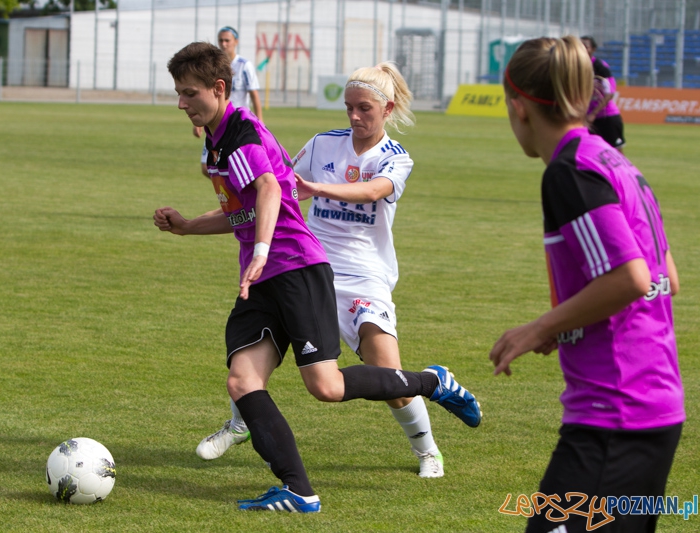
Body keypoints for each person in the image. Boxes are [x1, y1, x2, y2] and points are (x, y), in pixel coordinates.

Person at [155, 42, 482, 513]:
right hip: (277, 271)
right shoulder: (229, 140)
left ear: (218, 88)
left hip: (307, 268)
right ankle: (298, 490)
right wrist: (189, 226)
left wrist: (261, 248)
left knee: (329, 385)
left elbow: (271, 190)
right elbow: (255, 203)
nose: (181, 103)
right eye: (178, 94)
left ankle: (431, 385)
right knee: (243, 381)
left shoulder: (242, 136)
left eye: (188, 94)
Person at [196, 62, 447, 479]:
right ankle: (239, 425)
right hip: (311, 265)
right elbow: (278, 188)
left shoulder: (396, 158)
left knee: (388, 371)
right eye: (348, 107)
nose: (354, 117)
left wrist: (317, 188)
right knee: (257, 351)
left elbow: (372, 191)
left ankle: (428, 451)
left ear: (387, 109)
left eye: (364, 108)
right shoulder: (322, 145)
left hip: (367, 274)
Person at [492, 35, 684, 533]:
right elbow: (669, 278)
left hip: (615, 411)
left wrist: (539, 327)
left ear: (519, 107)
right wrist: (573, 319)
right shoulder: (617, 162)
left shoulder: (569, 171)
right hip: (652, 405)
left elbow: (631, 278)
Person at [195, 26, 264, 178]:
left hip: (237, 124)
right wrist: (198, 121)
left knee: (234, 166)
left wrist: (260, 122)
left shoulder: (244, 66)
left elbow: (254, 95)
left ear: (235, 42)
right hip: (215, 123)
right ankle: (231, 194)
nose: (224, 44)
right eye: (221, 40)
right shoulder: (213, 67)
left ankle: (237, 196)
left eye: (227, 40)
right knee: (207, 168)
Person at [581, 36, 625, 152]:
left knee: (616, 153)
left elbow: (609, 93)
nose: (582, 49)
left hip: (607, 117)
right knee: (591, 152)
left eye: (586, 46)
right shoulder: (577, 67)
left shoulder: (600, 67)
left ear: (593, 49)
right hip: (588, 119)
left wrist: (593, 114)